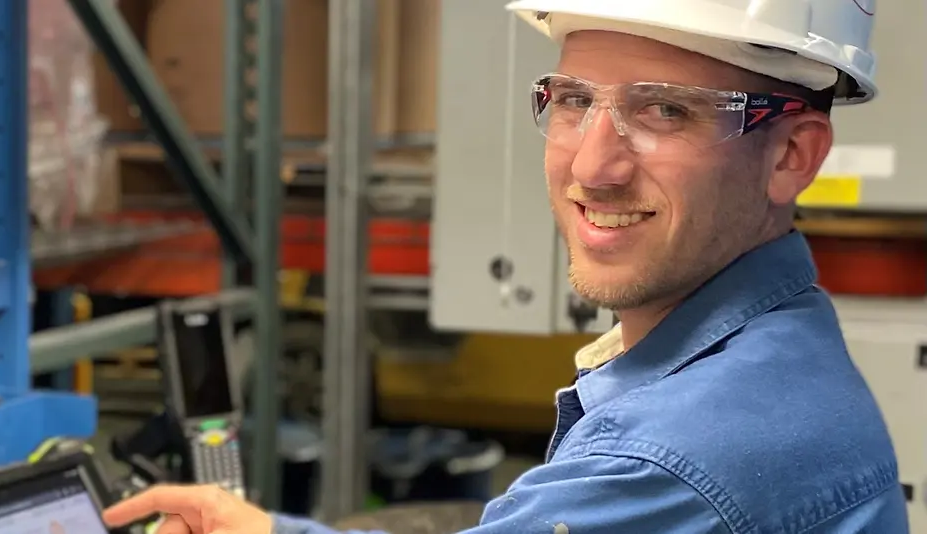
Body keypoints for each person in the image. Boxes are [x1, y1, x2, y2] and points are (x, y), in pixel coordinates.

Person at [103, 0, 910, 532]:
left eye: (665, 109)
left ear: (792, 155)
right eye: (573, 100)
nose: (592, 168)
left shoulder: (673, 459)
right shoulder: (781, 342)